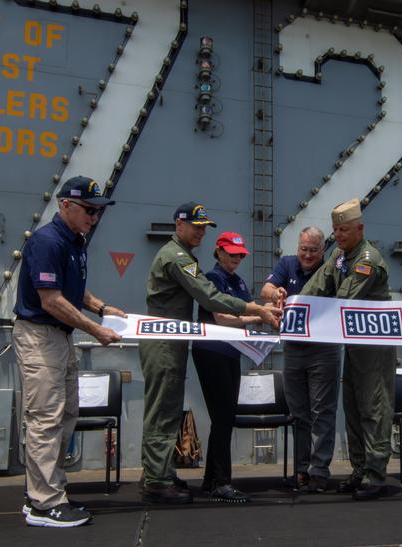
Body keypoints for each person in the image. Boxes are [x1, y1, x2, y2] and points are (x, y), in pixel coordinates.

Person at [140, 202, 282, 505]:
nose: (200, 232)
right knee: (163, 410)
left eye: (204, 227)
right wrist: (257, 310)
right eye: (196, 226)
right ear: (179, 225)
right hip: (164, 344)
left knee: (167, 410)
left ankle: (159, 472)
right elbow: (210, 297)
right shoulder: (177, 257)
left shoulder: (183, 256)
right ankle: (156, 480)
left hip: (173, 343)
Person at [13, 175, 126, 528]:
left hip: (60, 338)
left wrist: (101, 307)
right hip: (40, 335)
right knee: (45, 418)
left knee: (66, 416)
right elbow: (51, 299)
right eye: (90, 210)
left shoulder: (74, 241)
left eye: (98, 211)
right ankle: (44, 504)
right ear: (66, 206)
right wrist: (96, 329)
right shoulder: (47, 241)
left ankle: (50, 490)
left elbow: (73, 288)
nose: (94, 218)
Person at [299, 198, 396, 500]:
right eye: (336, 230)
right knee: (353, 407)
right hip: (354, 343)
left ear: (360, 228)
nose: (338, 236)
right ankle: (360, 470)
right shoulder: (341, 257)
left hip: (374, 346)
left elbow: (343, 298)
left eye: (344, 230)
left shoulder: (368, 260)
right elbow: (317, 284)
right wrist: (295, 306)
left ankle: (376, 474)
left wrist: (310, 310)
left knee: (373, 407)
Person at [261, 227, 341, 493]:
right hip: (293, 350)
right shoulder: (287, 264)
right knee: (299, 414)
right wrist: (276, 295)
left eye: (313, 250)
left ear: (323, 250)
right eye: (303, 249)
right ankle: (301, 469)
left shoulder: (331, 270)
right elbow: (267, 288)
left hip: (324, 350)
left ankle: (319, 471)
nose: (307, 255)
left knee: (322, 412)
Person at [192, 231, 264, 503]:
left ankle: (212, 480)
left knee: (224, 418)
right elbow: (221, 317)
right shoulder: (213, 279)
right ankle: (220, 482)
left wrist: (264, 311)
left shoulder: (237, 280)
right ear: (219, 252)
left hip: (230, 354)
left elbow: (247, 309)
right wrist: (256, 318)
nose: (236, 258)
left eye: (240, 254)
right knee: (222, 417)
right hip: (212, 353)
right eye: (232, 253)